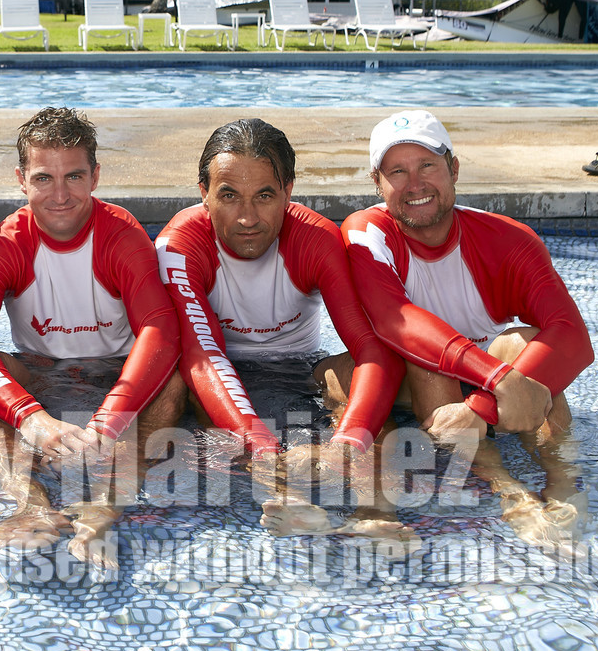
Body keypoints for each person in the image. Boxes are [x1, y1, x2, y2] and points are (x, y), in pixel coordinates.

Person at [0, 108, 183, 567]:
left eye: (73, 176)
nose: (60, 195)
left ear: (95, 176)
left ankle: (103, 511)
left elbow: (161, 331)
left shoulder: (121, 235)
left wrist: (107, 424)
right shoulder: (7, 243)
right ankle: (30, 506)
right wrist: (30, 417)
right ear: (21, 179)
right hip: (44, 381)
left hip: (121, 382)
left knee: (174, 382)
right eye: (43, 178)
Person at [343, 109, 593, 544]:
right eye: (397, 171)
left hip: (489, 392)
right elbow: (394, 320)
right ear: (377, 183)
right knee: (420, 359)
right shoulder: (367, 233)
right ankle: (508, 489)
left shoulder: (510, 239)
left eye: (427, 166)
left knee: (525, 341)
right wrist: (500, 382)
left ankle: (562, 482)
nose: (414, 184)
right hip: (418, 378)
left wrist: (482, 407)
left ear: (454, 168)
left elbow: (572, 334)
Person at [156, 119, 409, 539]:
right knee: (181, 382)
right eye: (229, 196)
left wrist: (349, 440)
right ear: (204, 194)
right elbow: (204, 358)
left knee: (355, 380)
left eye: (265, 196)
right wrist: (260, 445)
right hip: (220, 371)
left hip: (300, 369)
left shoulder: (315, 240)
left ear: (288, 192)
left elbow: (370, 349)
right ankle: (285, 497)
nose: (248, 217)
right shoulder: (180, 245)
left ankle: (376, 514)